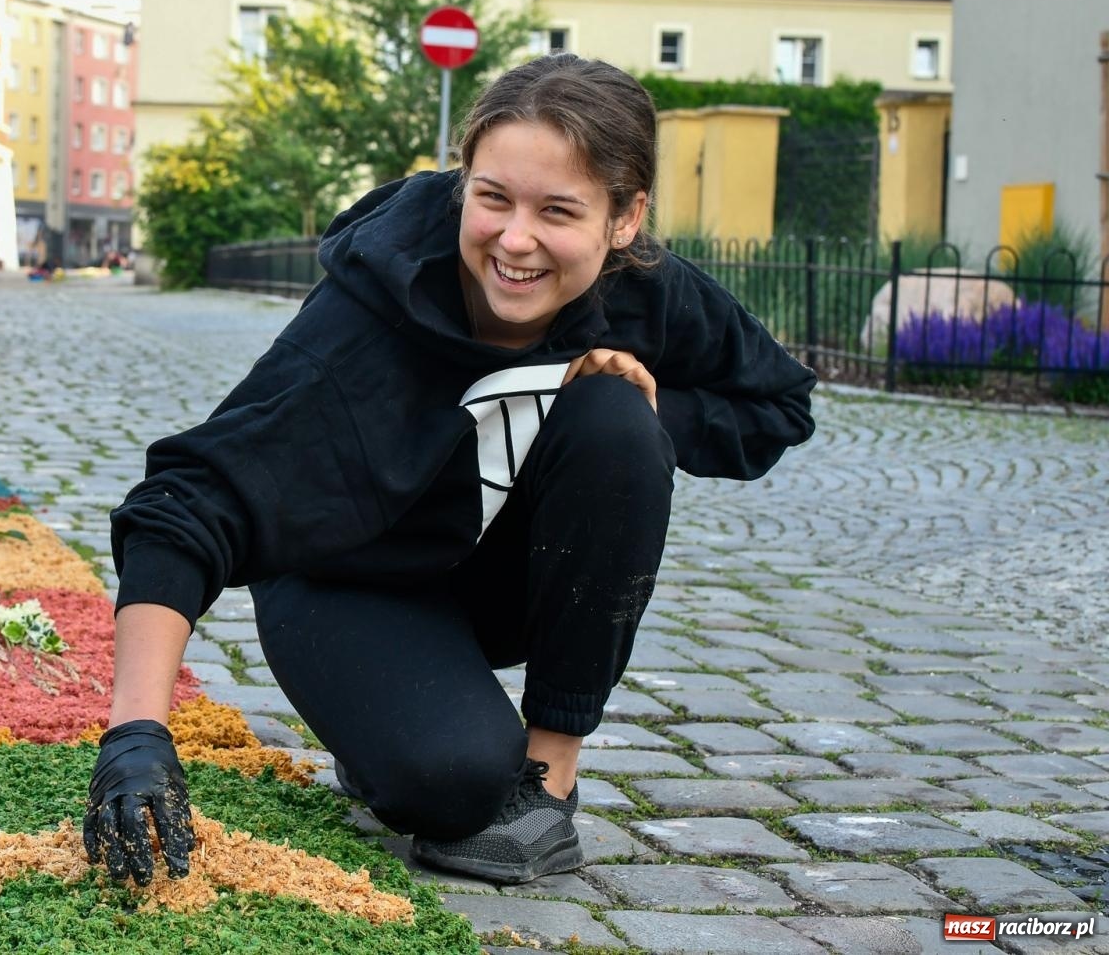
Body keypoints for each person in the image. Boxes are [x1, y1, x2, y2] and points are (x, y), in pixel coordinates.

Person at [82, 54, 816, 888]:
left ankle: (549, 781)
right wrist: (136, 732)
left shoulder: (643, 287)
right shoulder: (370, 310)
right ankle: (392, 736)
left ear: (625, 218)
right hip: (348, 580)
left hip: (500, 579)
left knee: (617, 419)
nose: (515, 240)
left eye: (559, 211)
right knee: (455, 783)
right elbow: (192, 499)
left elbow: (778, 405)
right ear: (465, 177)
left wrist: (654, 404)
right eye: (493, 197)